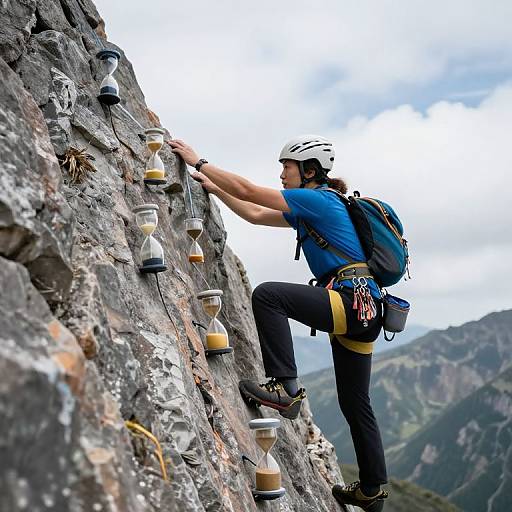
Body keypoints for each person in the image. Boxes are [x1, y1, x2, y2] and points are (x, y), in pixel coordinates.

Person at [169, 135, 389, 511]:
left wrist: (198, 162)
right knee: (355, 402)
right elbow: (254, 213)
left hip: (349, 301)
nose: (282, 174)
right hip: (367, 310)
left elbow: (252, 191)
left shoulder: (316, 199)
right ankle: (371, 489)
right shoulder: (315, 207)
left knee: (269, 295)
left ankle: (286, 388)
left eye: (287, 167)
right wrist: (215, 190)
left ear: (309, 171)